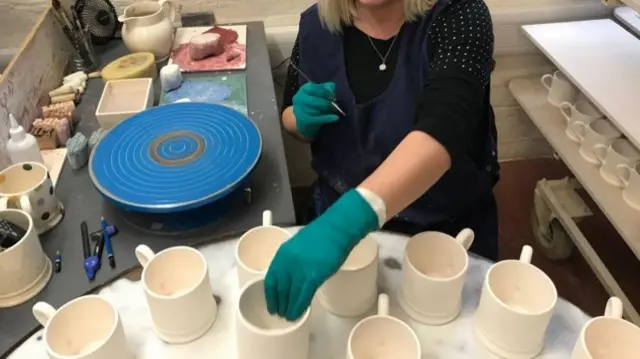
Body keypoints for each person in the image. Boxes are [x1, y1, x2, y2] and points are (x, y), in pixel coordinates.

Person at [265, 0, 499, 321]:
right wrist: (300, 121)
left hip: (440, 236)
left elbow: (446, 129)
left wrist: (343, 224)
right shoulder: (317, 25)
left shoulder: (460, 15)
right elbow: (290, 113)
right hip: (341, 228)